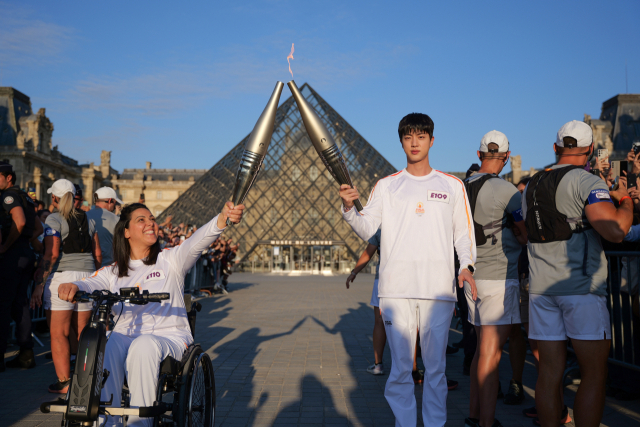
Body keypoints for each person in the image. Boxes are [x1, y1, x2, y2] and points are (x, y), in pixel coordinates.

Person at [339, 113, 476, 427]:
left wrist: (467, 266)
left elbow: (463, 234)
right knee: (401, 369)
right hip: (396, 290)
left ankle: (434, 424)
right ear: (401, 141)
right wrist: (349, 208)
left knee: (436, 369)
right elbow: (366, 227)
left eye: (421, 136)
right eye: (408, 137)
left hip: (438, 291)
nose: (414, 143)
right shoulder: (387, 186)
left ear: (431, 140)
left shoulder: (452, 185)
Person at [57, 201, 244, 427]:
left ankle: (140, 423)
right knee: (107, 342)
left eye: (152, 219)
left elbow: (198, 241)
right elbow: (89, 282)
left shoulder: (171, 259)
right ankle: (108, 422)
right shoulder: (112, 272)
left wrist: (223, 217)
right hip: (125, 336)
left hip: (169, 337)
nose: (151, 224)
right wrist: (73, 286)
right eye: (141, 220)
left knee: (143, 345)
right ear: (126, 231)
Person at [522, 120, 633, 427]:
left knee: (548, 373)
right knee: (594, 374)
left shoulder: (531, 184)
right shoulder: (587, 182)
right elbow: (615, 230)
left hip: (542, 290)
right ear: (588, 152)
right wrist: (623, 200)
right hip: (581, 289)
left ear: (556, 148)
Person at [463, 131, 527, 427]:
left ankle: (474, 415)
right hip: (499, 278)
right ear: (505, 157)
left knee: (479, 350)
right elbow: (525, 232)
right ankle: (486, 422)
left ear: (479, 155)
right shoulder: (508, 190)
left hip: (470, 277)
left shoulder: (462, 186)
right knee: (491, 354)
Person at [30, 179, 102, 393]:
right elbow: (97, 253)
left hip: (63, 276)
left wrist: (40, 283)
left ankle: (65, 382)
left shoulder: (54, 218)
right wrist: (95, 276)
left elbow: (51, 253)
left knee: (59, 333)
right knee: (83, 332)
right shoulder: (88, 219)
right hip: (87, 277)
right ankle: (86, 379)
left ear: (54, 198)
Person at [0, 162, 41, 371]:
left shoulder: (9, 196)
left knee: (3, 305)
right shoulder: (26, 196)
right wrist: (24, 241)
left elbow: (21, 221)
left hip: (12, 256)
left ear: (8, 178)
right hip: (25, 254)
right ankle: (26, 354)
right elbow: (38, 227)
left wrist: (7, 244)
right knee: (21, 305)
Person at [346, 228, 386, 375]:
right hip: (409, 280)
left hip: (384, 278)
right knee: (409, 324)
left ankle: (378, 364)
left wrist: (354, 272)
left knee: (380, 321)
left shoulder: (382, 227)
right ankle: (411, 367)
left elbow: (368, 252)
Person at [86, 186, 122, 267]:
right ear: (110, 200)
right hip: (108, 267)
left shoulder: (84, 216)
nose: (114, 206)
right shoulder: (116, 219)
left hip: (88, 266)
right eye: (115, 203)